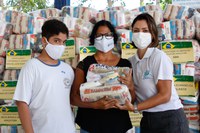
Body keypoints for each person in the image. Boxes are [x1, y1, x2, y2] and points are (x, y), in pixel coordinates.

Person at [117, 13, 189, 133]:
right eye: (136, 30)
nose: (140, 34)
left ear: (153, 35)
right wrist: (130, 87)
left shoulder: (159, 57)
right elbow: (134, 97)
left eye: (145, 31)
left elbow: (165, 95)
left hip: (170, 119)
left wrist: (135, 108)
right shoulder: (131, 62)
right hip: (148, 118)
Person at [70, 20, 134, 133]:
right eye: (99, 35)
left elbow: (132, 98)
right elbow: (74, 98)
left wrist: (131, 87)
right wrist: (95, 105)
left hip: (118, 124)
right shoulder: (85, 64)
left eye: (108, 35)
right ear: (93, 39)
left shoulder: (125, 65)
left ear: (113, 38)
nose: (103, 38)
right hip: (90, 124)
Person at [13, 19, 76, 133]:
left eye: (63, 42)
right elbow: (22, 103)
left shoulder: (67, 69)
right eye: (56, 40)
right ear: (44, 41)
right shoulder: (31, 67)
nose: (61, 46)